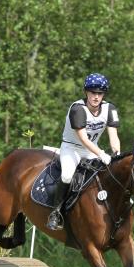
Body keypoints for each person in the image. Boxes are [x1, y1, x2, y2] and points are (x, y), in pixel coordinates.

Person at [46, 73, 121, 231]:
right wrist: (101, 154)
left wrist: (116, 152)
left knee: (110, 173)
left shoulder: (109, 109)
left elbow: (113, 136)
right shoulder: (78, 109)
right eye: (93, 92)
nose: (96, 96)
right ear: (86, 92)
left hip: (91, 149)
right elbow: (83, 139)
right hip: (71, 148)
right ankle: (55, 212)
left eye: (100, 93)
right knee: (67, 175)